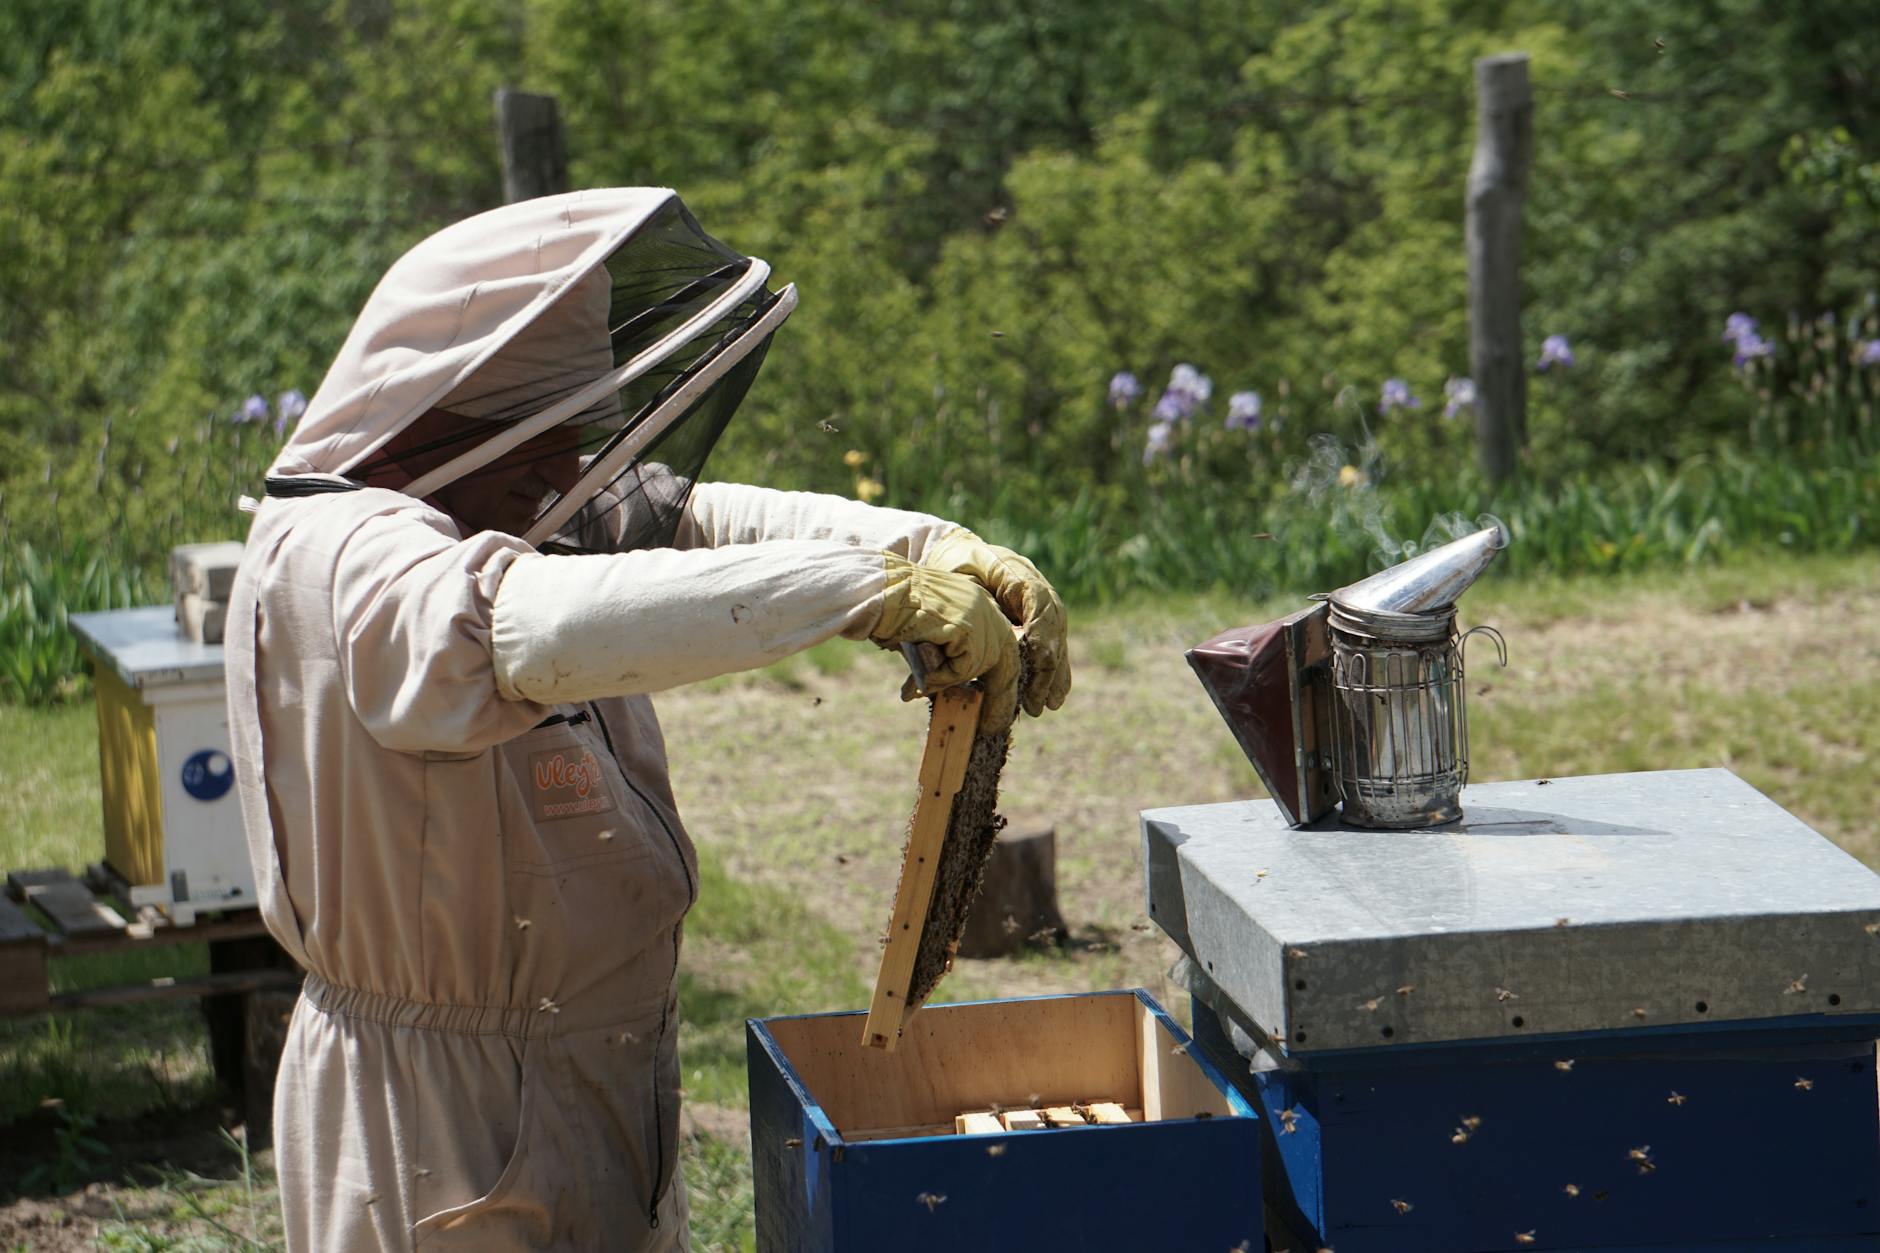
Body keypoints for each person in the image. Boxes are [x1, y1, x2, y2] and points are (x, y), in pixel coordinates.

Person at [224, 187, 1069, 1251]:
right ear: (440, 413)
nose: (569, 474)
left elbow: (702, 522)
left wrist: (924, 544)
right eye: (538, 438)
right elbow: (521, 627)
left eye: (578, 434)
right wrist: (861, 591)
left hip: (594, 1057)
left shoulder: (512, 498)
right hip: (437, 1109)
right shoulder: (341, 554)